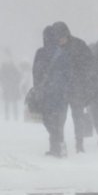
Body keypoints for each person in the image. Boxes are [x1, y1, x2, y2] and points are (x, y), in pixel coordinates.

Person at [49, 21, 93, 154]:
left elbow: (90, 64)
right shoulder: (54, 48)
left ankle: (79, 143)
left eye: (62, 37)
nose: (60, 40)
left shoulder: (79, 45)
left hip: (76, 87)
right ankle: (60, 142)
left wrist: (83, 79)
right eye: (57, 38)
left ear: (67, 34)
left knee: (77, 116)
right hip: (60, 89)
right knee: (59, 118)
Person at [33, 26, 68, 157]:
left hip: (46, 92)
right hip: (59, 92)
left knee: (48, 120)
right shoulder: (62, 53)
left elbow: (35, 72)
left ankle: (56, 146)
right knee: (59, 119)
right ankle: (57, 145)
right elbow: (68, 73)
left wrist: (37, 88)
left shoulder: (40, 53)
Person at [0, 50, 22, 121]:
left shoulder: (12, 66)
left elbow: (18, 76)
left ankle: (14, 117)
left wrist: (15, 82)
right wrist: (4, 83)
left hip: (12, 86)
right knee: (8, 103)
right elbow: (0, 77)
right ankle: (8, 117)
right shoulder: (6, 66)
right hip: (9, 86)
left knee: (12, 103)